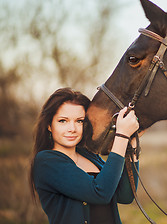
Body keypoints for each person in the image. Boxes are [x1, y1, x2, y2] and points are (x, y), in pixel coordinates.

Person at [29, 87, 139, 224]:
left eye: (79, 121)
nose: (72, 129)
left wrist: (132, 145)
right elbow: (100, 193)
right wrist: (121, 136)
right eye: (63, 121)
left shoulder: (89, 155)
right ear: (49, 125)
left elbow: (125, 195)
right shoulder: (46, 162)